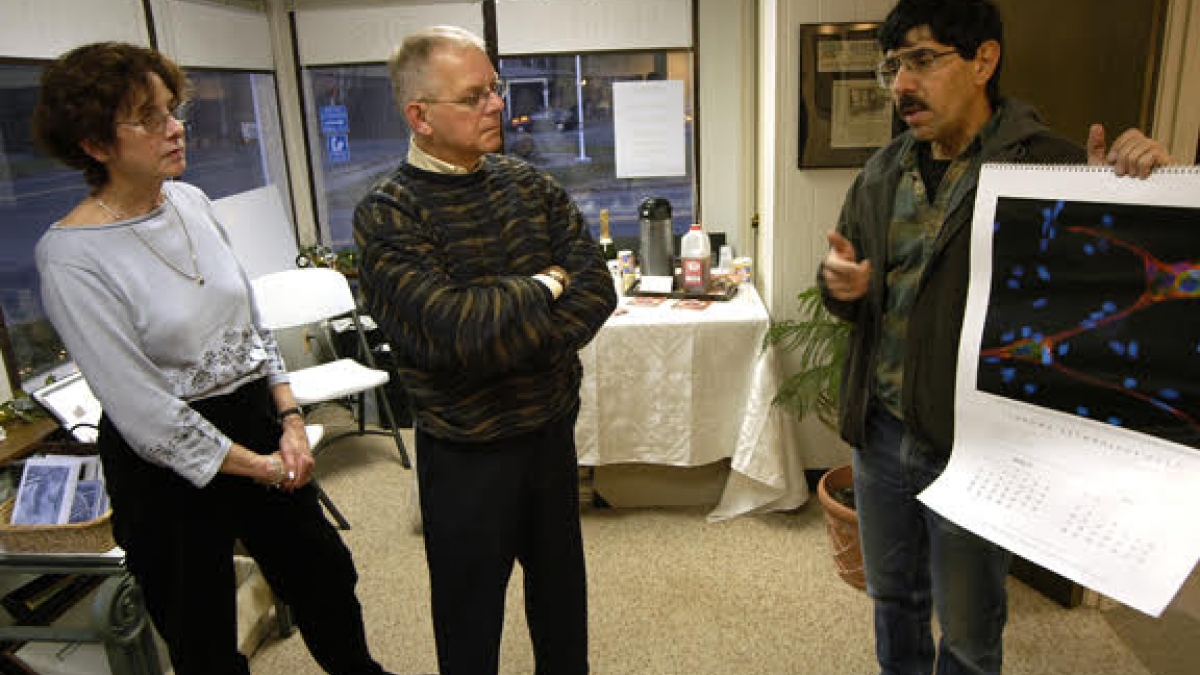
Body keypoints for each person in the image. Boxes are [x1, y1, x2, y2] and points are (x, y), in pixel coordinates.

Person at [32, 42, 419, 675]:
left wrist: (291, 419)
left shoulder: (189, 201)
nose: (175, 126)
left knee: (323, 578)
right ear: (95, 144)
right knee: (202, 630)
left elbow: (249, 322)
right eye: (149, 117)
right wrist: (262, 468)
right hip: (164, 462)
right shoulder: (72, 256)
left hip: (254, 419)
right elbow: (144, 413)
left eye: (172, 108)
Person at [817, 1, 1173, 674]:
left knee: (971, 631)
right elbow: (849, 276)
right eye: (894, 66)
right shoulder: (881, 173)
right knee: (892, 598)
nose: (901, 86)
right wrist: (844, 284)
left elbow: (1117, 309)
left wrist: (1131, 196)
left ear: (984, 60)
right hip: (884, 434)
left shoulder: (1052, 170)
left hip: (979, 448)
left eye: (923, 61)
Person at [353, 26, 617, 675]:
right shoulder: (388, 214)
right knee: (469, 619)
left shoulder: (530, 186)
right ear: (420, 115)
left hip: (548, 433)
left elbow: (596, 289)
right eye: (474, 96)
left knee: (561, 601)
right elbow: (452, 330)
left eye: (494, 90)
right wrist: (540, 284)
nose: (497, 105)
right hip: (465, 452)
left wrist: (505, 329)